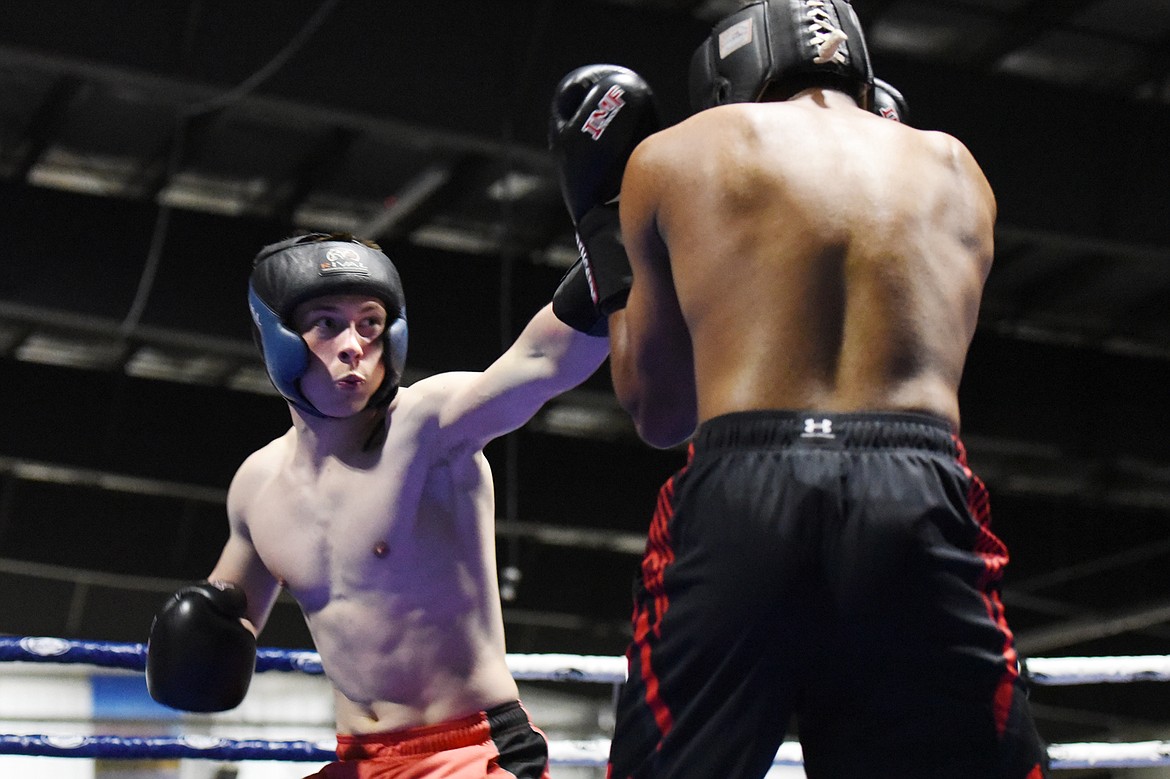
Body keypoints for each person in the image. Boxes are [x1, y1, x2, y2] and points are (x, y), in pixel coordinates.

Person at [550, 1, 1049, 777]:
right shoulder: (957, 169)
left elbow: (658, 408)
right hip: (917, 487)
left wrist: (601, 229)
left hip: (746, 485)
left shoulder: (677, 154)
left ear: (727, 80)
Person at [144, 232, 610, 778]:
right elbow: (225, 616)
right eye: (327, 324)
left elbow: (543, 360)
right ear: (279, 338)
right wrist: (193, 638)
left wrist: (612, 246)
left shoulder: (430, 428)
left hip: (468, 752)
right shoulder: (257, 485)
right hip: (359, 761)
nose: (353, 345)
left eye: (370, 323)